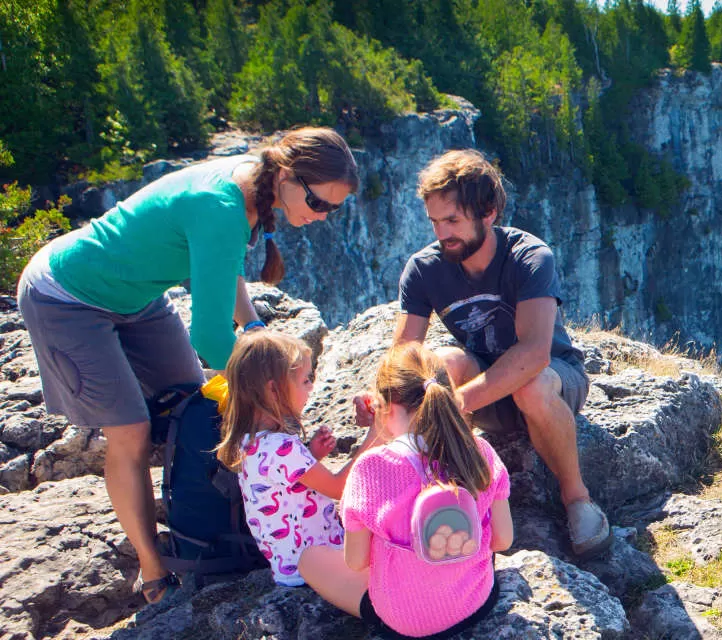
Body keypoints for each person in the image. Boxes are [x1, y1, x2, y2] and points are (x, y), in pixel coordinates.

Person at [14, 127, 358, 603]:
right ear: (287, 174)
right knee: (131, 429)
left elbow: (221, 269)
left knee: (194, 407)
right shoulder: (223, 205)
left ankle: (218, 522)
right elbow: (210, 338)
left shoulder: (252, 186)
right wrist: (271, 385)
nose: (321, 216)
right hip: (67, 295)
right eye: (320, 203)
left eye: (333, 210)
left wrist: (256, 330)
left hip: (135, 293)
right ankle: (153, 570)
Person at [392, 150, 610, 557]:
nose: (442, 233)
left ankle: (577, 498)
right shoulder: (424, 269)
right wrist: (386, 400)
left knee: (531, 386)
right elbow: (405, 354)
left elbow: (534, 354)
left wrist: (457, 402)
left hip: (555, 380)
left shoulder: (528, 257)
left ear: (488, 212)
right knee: (440, 364)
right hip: (487, 383)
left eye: (453, 221)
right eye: (435, 222)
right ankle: (447, 500)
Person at [299, 343, 513, 638]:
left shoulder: (371, 468)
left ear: (387, 408)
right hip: (476, 603)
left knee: (309, 558)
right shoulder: (480, 451)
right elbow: (502, 541)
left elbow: (356, 561)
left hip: (403, 622)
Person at [214, 331, 379, 586]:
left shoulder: (251, 441)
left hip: (288, 568)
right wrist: (375, 435)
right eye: (305, 381)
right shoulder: (283, 448)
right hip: (319, 567)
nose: (311, 387)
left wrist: (311, 455)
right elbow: (338, 488)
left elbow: (281, 484)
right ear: (274, 390)